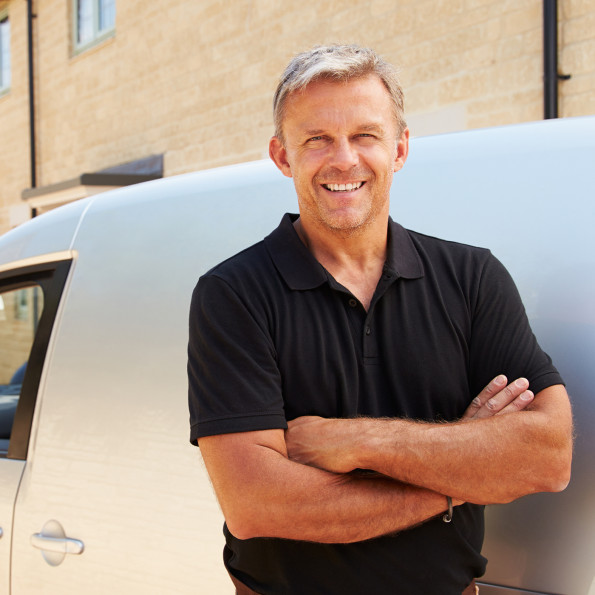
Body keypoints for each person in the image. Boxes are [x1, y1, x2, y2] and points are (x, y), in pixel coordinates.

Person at [187, 44, 573, 595]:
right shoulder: (234, 294)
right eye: (316, 139)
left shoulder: (472, 278)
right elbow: (258, 505)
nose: (343, 159)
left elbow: (547, 456)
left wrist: (357, 441)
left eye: (365, 135)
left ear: (400, 148)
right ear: (282, 156)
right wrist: (462, 476)